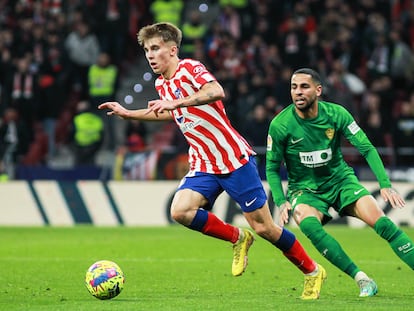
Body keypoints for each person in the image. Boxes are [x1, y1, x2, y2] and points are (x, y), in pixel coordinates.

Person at [99, 22, 326, 299]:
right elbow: (170, 113)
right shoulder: (161, 83)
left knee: (265, 228)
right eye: (147, 49)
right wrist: (128, 113)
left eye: (156, 48)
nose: (150, 55)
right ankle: (237, 238)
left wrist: (177, 102)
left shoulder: (190, 69)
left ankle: (313, 271)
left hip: (232, 160)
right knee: (180, 211)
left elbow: (216, 91)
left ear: (172, 50)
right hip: (204, 163)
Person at [266, 67, 414, 298]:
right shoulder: (280, 125)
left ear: (318, 90)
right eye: (294, 87)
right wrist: (280, 200)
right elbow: (272, 168)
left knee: (383, 224)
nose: (298, 92)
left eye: (304, 86)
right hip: (304, 190)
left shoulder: (337, 114)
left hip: (341, 181)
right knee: (308, 225)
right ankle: (362, 279)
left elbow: (366, 148)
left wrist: (384, 183)